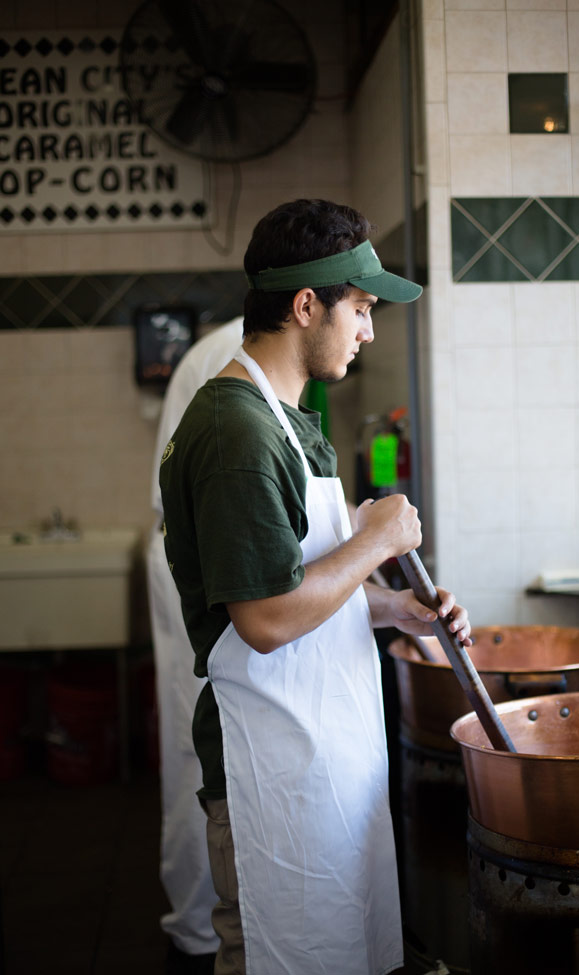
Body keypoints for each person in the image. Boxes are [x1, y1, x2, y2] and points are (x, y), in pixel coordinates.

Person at [159, 199, 471, 975]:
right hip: (270, 774)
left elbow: (297, 584)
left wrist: (397, 607)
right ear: (307, 305)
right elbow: (265, 618)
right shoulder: (237, 431)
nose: (368, 329)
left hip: (313, 761)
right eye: (361, 308)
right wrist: (375, 541)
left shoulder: (289, 419)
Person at [147, 319, 245, 970]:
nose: (365, 331)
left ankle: (203, 925)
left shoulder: (233, 347)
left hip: (191, 548)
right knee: (195, 749)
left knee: (196, 747)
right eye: (355, 309)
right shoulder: (236, 357)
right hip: (196, 558)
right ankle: (195, 933)